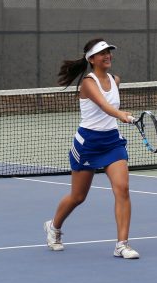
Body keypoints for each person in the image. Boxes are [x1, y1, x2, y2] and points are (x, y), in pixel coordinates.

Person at [43, 38, 139, 259]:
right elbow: (105, 107)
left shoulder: (116, 80)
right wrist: (121, 114)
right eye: (102, 53)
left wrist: (119, 116)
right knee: (78, 196)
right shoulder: (88, 82)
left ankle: (122, 244)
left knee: (122, 189)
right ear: (92, 59)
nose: (107, 56)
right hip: (88, 144)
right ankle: (54, 226)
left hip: (113, 142)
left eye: (109, 52)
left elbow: (111, 107)